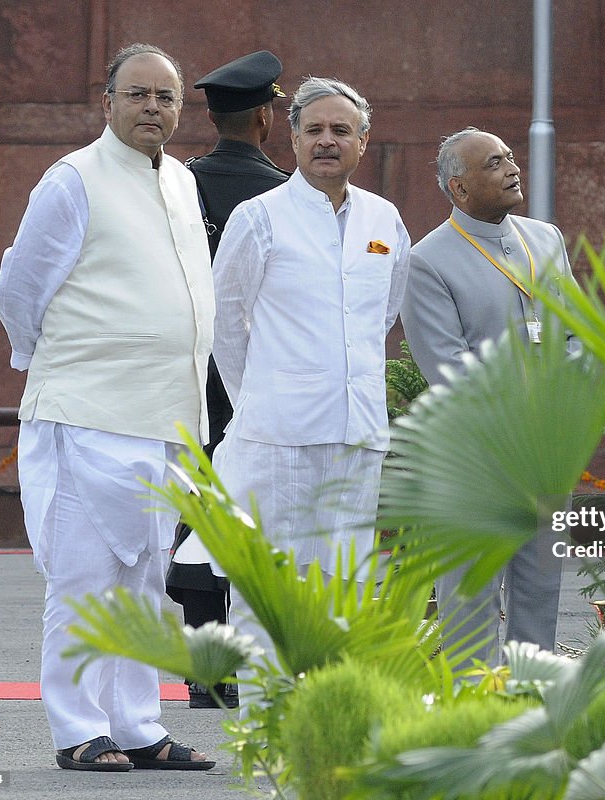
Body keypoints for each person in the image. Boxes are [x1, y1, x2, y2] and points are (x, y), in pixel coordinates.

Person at [0, 43, 215, 771]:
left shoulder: (182, 181)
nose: (154, 108)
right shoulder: (72, 180)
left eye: (166, 97)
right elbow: (20, 290)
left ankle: (139, 726)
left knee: (146, 582)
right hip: (87, 412)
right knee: (85, 577)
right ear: (108, 101)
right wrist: (56, 364)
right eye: (139, 94)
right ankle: (77, 729)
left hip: (166, 418)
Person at [211, 77, 410, 670]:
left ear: (363, 142)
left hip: (356, 435)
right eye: (314, 130)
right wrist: (262, 396)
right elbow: (224, 322)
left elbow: (384, 311)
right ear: (292, 138)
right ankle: (263, 731)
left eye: (340, 131)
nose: (327, 141)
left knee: (345, 591)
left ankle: (325, 734)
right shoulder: (260, 217)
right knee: (269, 588)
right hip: (276, 437)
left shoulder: (384, 217)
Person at [399, 127, 579, 666]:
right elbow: (448, 368)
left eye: (509, 157)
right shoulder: (428, 260)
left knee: (541, 594)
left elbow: (571, 332)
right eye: (495, 163)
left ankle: (533, 710)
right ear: (459, 187)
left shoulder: (545, 238)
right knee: (472, 597)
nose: (512, 169)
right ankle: (474, 719)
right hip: (477, 456)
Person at [165, 49, 290, 710]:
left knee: (203, 513)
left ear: (210, 115)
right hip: (272, 379)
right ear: (267, 116)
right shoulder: (290, 195)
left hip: (194, 377)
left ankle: (208, 673)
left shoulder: (180, 184)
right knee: (270, 520)